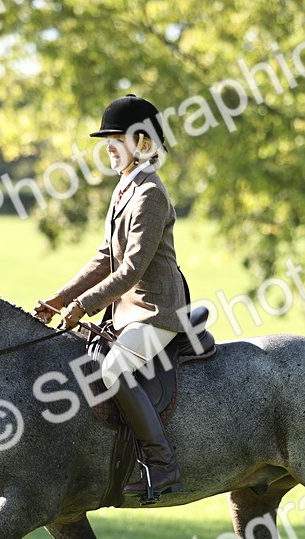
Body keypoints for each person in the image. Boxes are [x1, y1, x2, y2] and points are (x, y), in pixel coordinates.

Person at [34, 94, 189, 503]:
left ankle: (161, 463)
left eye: (115, 138)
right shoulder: (125, 189)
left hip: (156, 311)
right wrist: (57, 300)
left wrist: (83, 306)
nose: (108, 147)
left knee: (114, 370)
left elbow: (131, 269)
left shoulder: (150, 193)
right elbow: (105, 258)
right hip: (127, 311)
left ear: (141, 142)